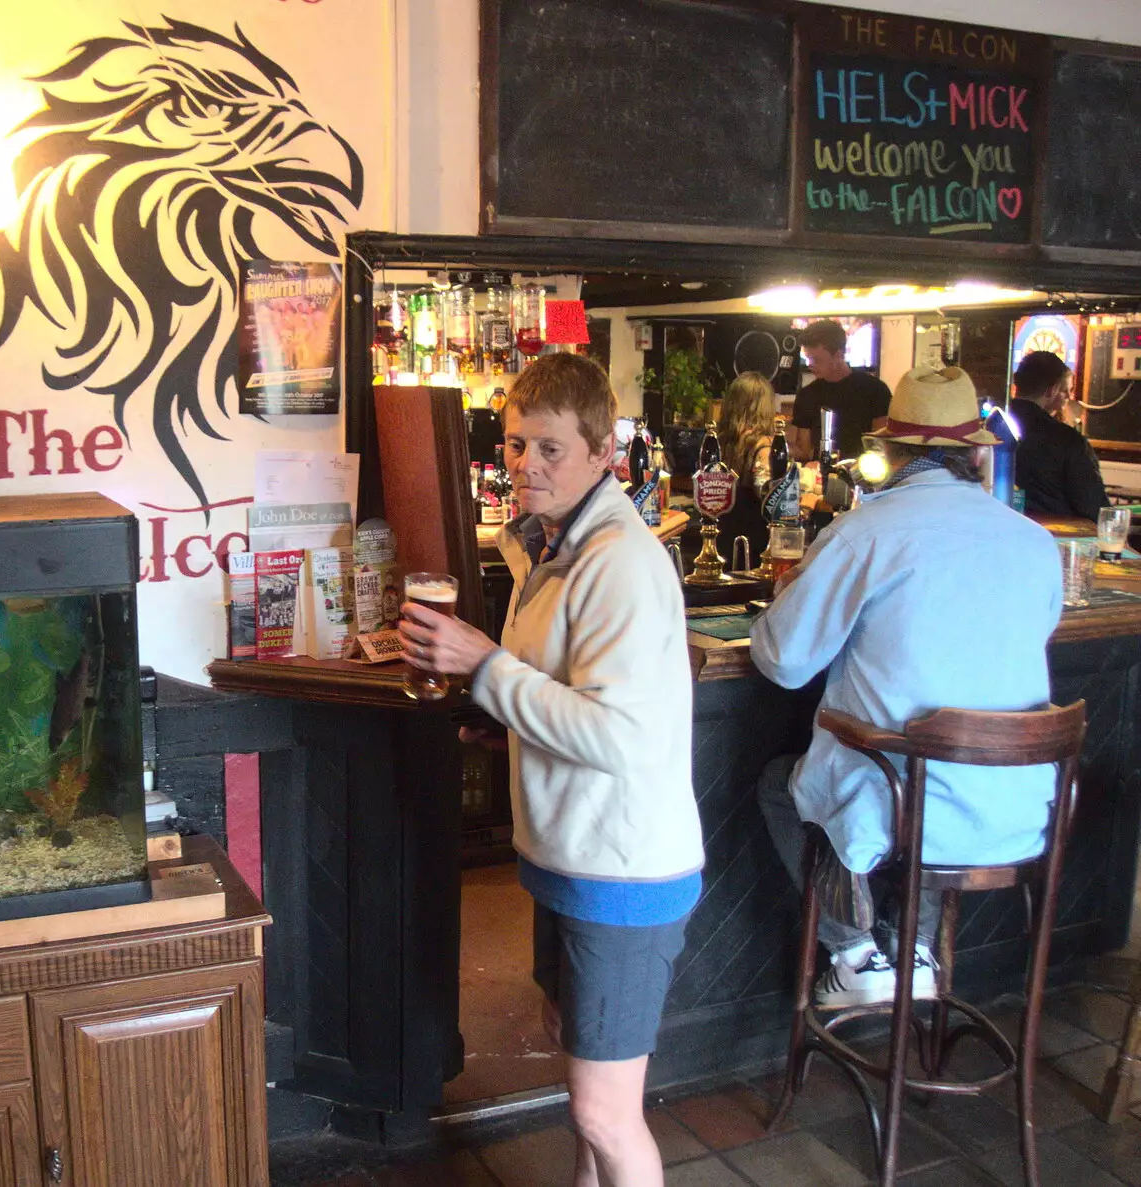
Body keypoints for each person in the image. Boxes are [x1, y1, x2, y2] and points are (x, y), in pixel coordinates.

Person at [400, 353, 703, 1187]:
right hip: (573, 861)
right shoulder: (557, 545)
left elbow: (619, 735)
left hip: (624, 870)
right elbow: (567, 696)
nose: (526, 465)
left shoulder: (620, 561)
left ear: (604, 452)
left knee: (607, 1110)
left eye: (549, 448)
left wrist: (486, 665)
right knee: (582, 1079)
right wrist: (506, 729)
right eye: (513, 444)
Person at [750, 366, 1062, 1009]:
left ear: (886, 452)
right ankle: (912, 948)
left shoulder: (865, 534)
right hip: (1016, 809)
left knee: (789, 785)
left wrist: (786, 600)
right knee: (931, 772)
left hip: (901, 806)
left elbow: (783, 661)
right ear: (977, 453)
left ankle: (857, 952)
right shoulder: (1036, 544)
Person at [1011, 349, 1109, 522]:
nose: (1069, 397)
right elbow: (1094, 508)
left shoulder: (989, 427)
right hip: (1056, 539)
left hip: (996, 531)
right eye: (1066, 391)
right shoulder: (1068, 440)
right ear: (1052, 390)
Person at [789, 320, 891, 462]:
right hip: (819, 475)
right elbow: (804, 451)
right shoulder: (807, 395)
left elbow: (882, 443)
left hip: (864, 474)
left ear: (839, 354)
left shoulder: (875, 390)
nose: (810, 364)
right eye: (808, 358)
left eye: (816, 359)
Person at [715, 371, 777, 565]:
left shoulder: (719, 441)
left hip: (722, 532)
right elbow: (766, 495)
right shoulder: (763, 445)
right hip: (752, 540)